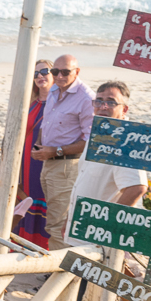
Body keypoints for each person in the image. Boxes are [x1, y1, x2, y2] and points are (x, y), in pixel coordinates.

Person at [64, 81, 146, 243]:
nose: (103, 106)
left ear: (124, 109)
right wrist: (70, 219)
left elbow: (136, 188)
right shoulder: (98, 134)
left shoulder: (126, 142)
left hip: (99, 238)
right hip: (79, 228)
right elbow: (83, 180)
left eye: (111, 102)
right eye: (99, 101)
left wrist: (104, 225)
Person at [35, 54, 94, 251]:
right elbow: (46, 121)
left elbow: (90, 141)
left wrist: (56, 151)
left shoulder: (86, 98)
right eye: (55, 72)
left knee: (59, 224)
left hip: (67, 165)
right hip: (49, 162)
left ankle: (59, 275)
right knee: (51, 217)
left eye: (65, 72)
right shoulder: (54, 89)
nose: (59, 76)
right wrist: (39, 144)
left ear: (77, 72)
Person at [15, 59, 54, 249]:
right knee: (26, 198)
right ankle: (24, 241)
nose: (40, 76)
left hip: (45, 162)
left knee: (42, 200)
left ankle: (40, 244)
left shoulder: (59, 105)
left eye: (45, 71)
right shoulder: (30, 103)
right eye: (36, 73)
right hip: (26, 163)